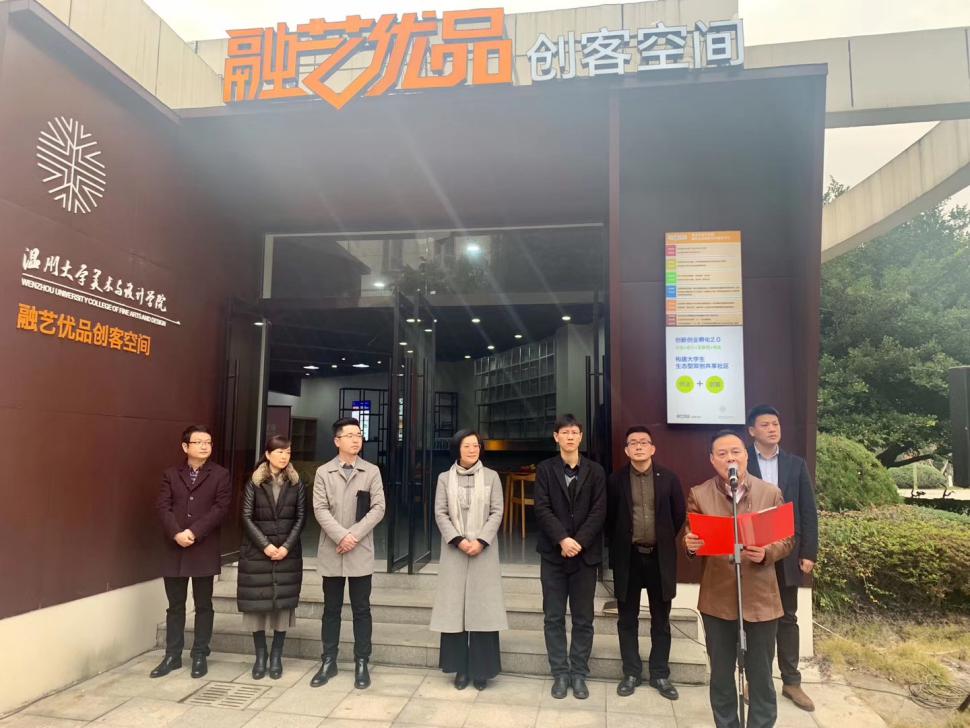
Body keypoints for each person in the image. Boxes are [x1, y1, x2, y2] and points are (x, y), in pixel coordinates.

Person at [684, 430, 794, 728]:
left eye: (735, 451)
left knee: (761, 674)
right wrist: (690, 544)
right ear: (712, 460)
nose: (729, 458)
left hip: (761, 599)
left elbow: (787, 539)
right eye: (722, 454)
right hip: (717, 598)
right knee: (721, 675)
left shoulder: (770, 492)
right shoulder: (699, 494)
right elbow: (691, 534)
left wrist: (767, 552)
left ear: (746, 455)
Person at [745, 405, 819, 712]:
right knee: (752, 619)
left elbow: (807, 509)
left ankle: (791, 681)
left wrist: (809, 551)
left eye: (775, 423)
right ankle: (754, 680)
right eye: (765, 424)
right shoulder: (743, 462)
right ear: (752, 431)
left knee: (788, 617)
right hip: (753, 551)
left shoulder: (795, 464)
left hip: (787, 550)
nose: (772, 429)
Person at [605, 426, 686, 700]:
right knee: (627, 619)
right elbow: (610, 519)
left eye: (643, 442)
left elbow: (678, 515)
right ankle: (631, 672)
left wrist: (661, 538)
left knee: (660, 620)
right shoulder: (615, 480)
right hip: (628, 558)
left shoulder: (669, 478)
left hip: (659, 558)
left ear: (652, 448)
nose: (638, 446)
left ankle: (660, 673)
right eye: (633, 443)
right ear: (626, 450)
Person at [534, 414, 607, 700]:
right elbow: (542, 508)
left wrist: (578, 542)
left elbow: (599, 511)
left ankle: (579, 674)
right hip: (553, 555)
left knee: (583, 618)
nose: (570, 436)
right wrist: (562, 539)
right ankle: (560, 674)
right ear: (556, 437)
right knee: (553, 617)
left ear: (581, 436)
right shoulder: (545, 469)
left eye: (574, 432)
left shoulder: (595, 471)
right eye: (564, 432)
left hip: (584, 557)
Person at [429, 429, 508, 690]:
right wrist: (459, 540)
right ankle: (460, 669)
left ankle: (482, 670)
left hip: (483, 551)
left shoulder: (492, 477)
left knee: (483, 610)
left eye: (476, 445)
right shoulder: (444, 478)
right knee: (455, 610)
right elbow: (440, 513)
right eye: (467, 446)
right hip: (455, 550)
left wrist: (481, 540)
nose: (473, 450)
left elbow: (497, 511)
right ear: (457, 449)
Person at [310, 417, 386, 689]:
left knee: (361, 609)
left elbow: (378, 508)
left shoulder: (371, 471)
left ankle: (362, 662)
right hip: (333, 549)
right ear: (337, 440)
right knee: (331, 609)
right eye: (350, 435)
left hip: (359, 550)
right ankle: (328, 660)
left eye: (359, 435)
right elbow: (319, 509)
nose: (356, 439)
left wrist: (353, 536)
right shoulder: (323, 472)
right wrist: (341, 536)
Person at [152, 425, 231, 679]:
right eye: (199, 442)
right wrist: (177, 533)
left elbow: (220, 508)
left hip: (203, 546)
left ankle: (199, 654)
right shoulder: (170, 474)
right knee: (175, 605)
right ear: (185, 447)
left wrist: (194, 532)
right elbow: (163, 506)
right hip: (174, 547)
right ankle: (172, 655)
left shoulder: (220, 474)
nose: (205, 446)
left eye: (208, 442)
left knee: (203, 604)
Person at [237, 436, 307, 680]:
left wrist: (286, 547)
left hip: (287, 554)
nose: (284, 456)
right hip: (257, 554)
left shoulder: (296, 482)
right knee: (256, 606)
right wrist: (266, 546)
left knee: (282, 607)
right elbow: (246, 517)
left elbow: (301, 517)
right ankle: (260, 656)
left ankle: (276, 656)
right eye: (279, 451)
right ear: (267, 454)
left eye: (288, 452)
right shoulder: (254, 482)